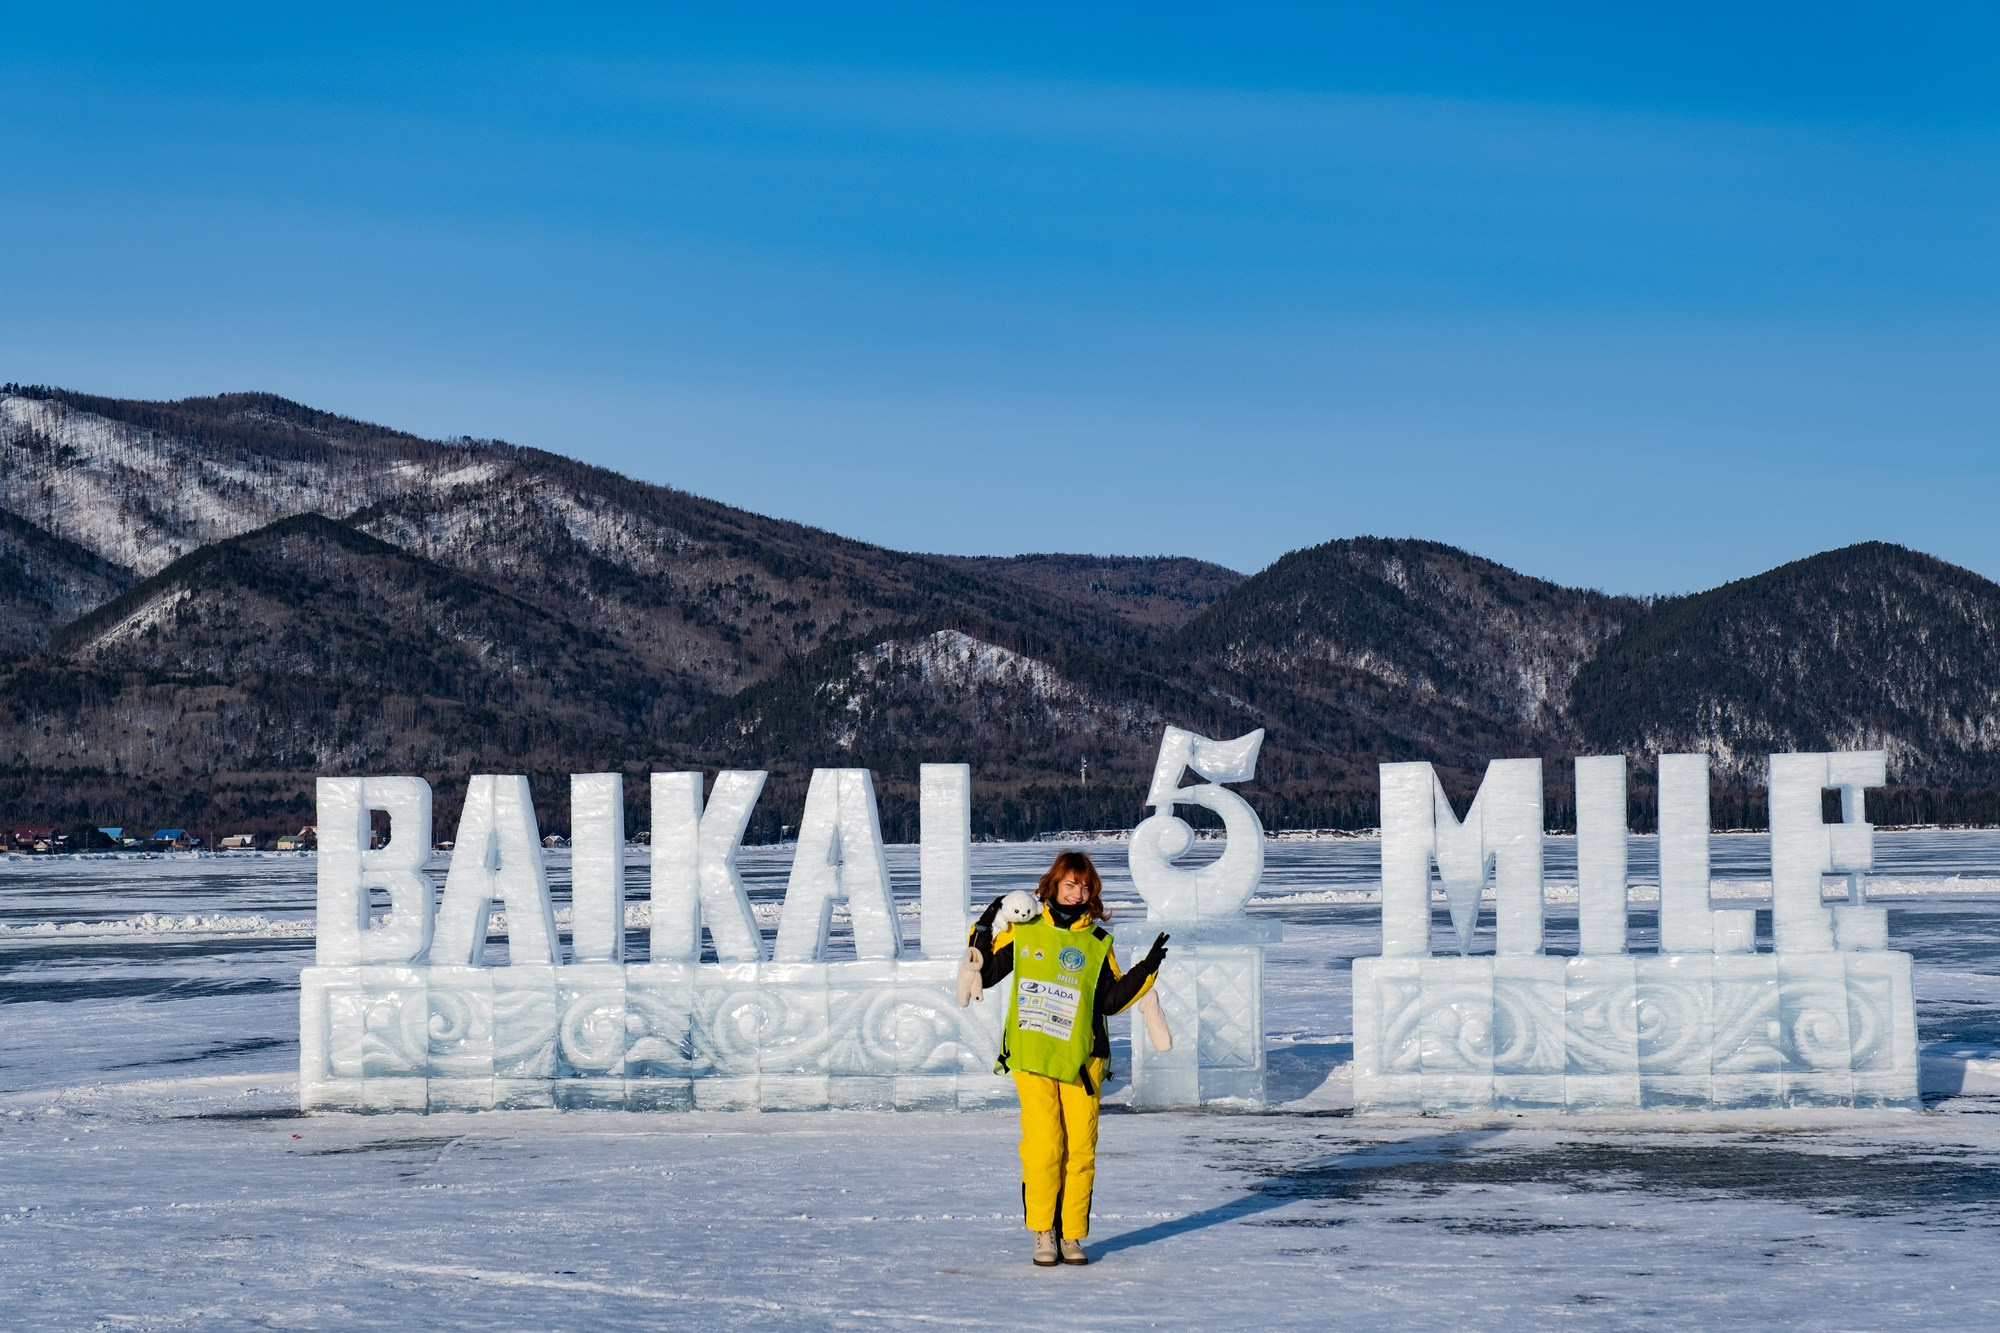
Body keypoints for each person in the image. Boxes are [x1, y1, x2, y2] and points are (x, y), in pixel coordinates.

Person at [968, 849, 1169, 1267]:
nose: (1077, 893)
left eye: (1085, 887)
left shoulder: (1097, 942)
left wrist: (1146, 968)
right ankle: (1044, 1232)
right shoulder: (1025, 931)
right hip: (1033, 1056)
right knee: (1044, 1148)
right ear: (1054, 884)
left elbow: (1111, 1001)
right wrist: (985, 926)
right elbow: (983, 973)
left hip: (1083, 1061)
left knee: (1080, 1152)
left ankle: (1071, 1235)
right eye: (1070, 884)